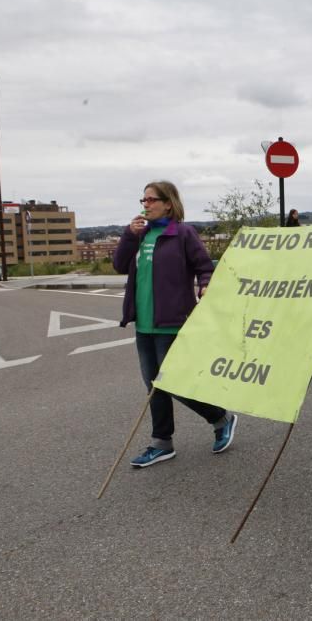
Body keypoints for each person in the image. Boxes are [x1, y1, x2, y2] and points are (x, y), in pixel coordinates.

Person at [113, 181, 237, 468]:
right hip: (144, 324)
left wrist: (205, 285)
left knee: (174, 384)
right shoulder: (140, 235)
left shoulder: (182, 233)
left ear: (168, 203)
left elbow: (205, 267)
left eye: (151, 200)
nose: (145, 205)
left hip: (173, 323)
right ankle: (162, 443)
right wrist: (128, 236)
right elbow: (120, 265)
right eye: (143, 200)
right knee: (154, 386)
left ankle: (221, 417)